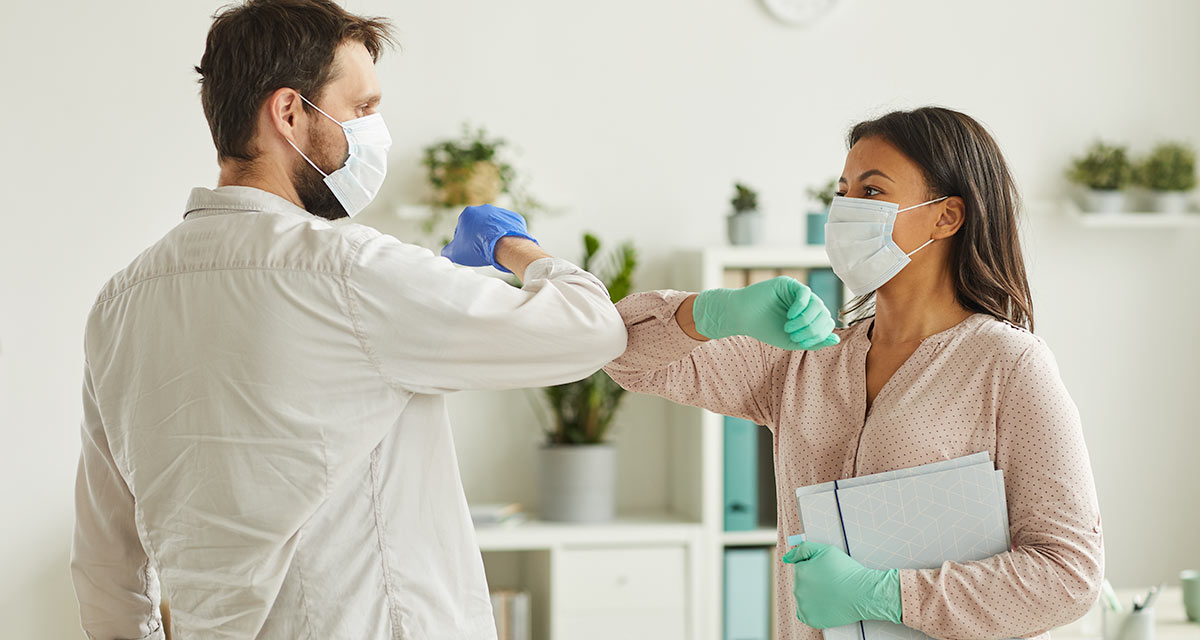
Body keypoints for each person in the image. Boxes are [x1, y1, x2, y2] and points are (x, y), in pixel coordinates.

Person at [70, 1, 625, 638]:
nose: (374, 130)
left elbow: (105, 563)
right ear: (288, 113)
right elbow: (591, 328)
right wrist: (510, 245)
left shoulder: (119, 305)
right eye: (361, 109)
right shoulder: (348, 271)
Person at [605, 107, 1102, 639]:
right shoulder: (805, 354)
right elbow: (621, 351)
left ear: (946, 216)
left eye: (871, 192)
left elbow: (1068, 573)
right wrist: (712, 312)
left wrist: (888, 594)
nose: (844, 209)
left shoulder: (1007, 365)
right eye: (841, 192)